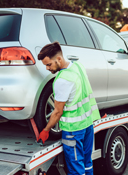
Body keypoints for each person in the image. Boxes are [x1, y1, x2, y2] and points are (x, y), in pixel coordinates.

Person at [37, 42, 101, 175]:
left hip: (73, 131)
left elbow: (57, 112)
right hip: (87, 124)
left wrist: (46, 130)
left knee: (76, 169)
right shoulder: (78, 66)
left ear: (59, 59)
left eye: (49, 64)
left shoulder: (62, 80)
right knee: (87, 163)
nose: (47, 68)